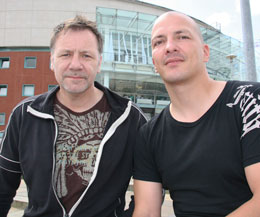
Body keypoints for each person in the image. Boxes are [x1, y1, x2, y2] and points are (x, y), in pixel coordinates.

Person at [0, 15, 147, 217]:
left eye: (86, 55)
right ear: (52, 61)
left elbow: (148, 193)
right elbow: (3, 187)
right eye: (66, 54)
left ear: (99, 62)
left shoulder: (131, 118)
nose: (75, 64)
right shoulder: (24, 115)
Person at [133, 11, 260, 217]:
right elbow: (146, 211)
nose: (170, 47)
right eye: (159, 42)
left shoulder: (250, 101)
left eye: (182, 37)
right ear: (154, 64)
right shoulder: (149, 135)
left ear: (205, 52)